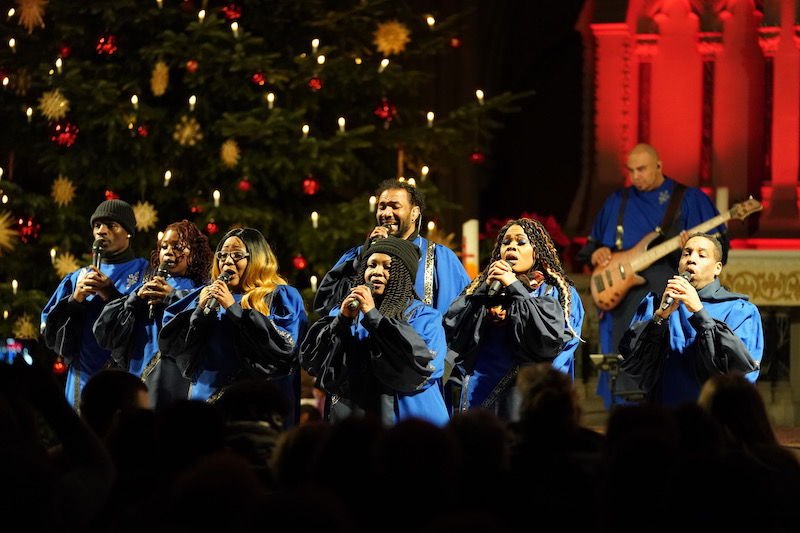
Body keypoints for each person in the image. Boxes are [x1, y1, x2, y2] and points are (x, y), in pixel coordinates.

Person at [576, 143, 728, 406]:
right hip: (622, 302)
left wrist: (689, 247)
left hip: (665, 297)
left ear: (659, 166)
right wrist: (596, 253)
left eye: (642, 169)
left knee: (665, 374)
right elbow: (591, 246)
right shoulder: (618, 200)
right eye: (631, 171)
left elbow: (718, 249)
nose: (636, 176)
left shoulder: (688, 198)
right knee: (624, 370)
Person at [158, 227, 307, 423]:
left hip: (255, 408)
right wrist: (200, 313)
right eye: (222, 255)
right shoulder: (205, 295)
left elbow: (285, 348)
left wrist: (234, 309)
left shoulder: (280, 296)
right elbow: (175, 347)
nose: (227, 261)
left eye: (237, 255)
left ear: (257, 258)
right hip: (206, 404)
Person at [301, 236, 449, 426]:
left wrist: (374, 318)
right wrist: (341, 321)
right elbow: (318, 364)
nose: (377, 272)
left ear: (404, 274)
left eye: (388, 267)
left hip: (408, 424)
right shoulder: (346, 312)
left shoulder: (424, 317)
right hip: (356, 422)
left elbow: (421, 369)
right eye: (372, 265)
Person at [444, 218, 581, 420]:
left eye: (520, 242)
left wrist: (514, 285)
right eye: (506, 242)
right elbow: (454, 330)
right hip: (482, 392)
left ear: (537, 251)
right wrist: (483, 294)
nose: (511, 247)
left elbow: (550, 340)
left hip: (528, 393)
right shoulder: (488, 288)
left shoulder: (557, 292)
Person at [618, 233, 763, 407]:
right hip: (667, 415)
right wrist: (659, 318)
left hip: (714, 418)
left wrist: (699, 312)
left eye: (701, 255)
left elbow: (740, 374)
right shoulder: (657, 304)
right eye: (686, 253)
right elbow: (636, 366)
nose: (691, 259)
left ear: (717, 268)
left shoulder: (740, 311)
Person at [42, 199, 149, 408]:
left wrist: (111, 293)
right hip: (82, 378)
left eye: (111, 225)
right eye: (97, 225)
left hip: (127, 378)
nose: (102, 231)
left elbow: (151, 325)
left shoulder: (145, 272)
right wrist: (75, 299)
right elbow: (50, 331)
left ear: (128, 232)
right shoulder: (77, 278)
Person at [93, 220, 214, 408]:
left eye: (178, 246)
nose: (168, 251)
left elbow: (203, 322)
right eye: (163, 247)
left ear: (195, 252)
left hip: (175, 378)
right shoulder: (146, 287)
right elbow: (105, 331)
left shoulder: (202, 290)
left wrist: (172, 297)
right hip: (139, 373)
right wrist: (135, 299)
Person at [313, 179, 470, 317]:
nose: (387, 213)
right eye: (382, 207)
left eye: (395, 206)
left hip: (418, 346)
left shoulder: (439, 257)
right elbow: (326, 304)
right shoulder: (359, 254)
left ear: (414, 213)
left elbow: (460, 312)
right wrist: (363, 258)